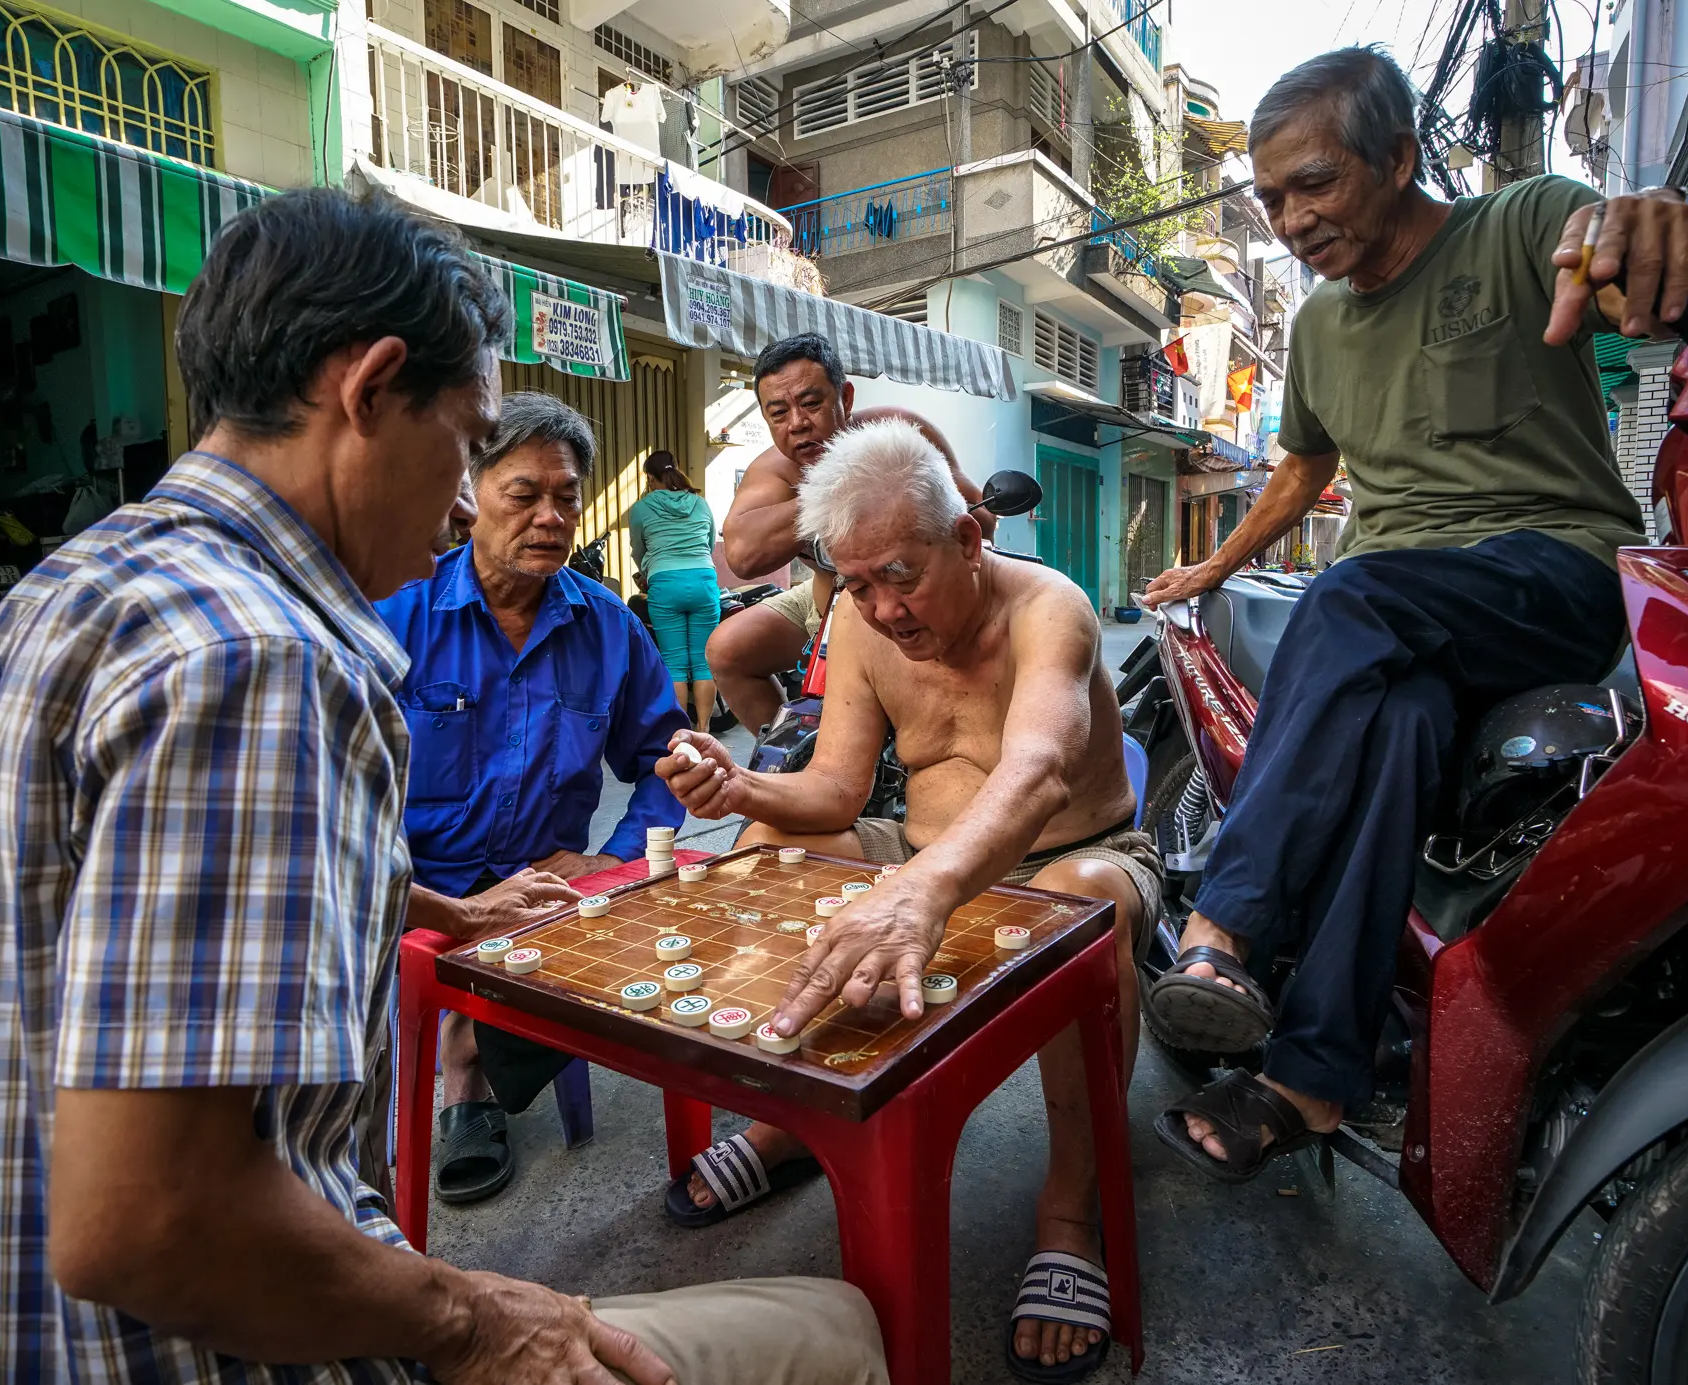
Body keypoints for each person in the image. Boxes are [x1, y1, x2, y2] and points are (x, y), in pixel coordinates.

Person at [0, 187, 889, 1385]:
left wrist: (441, 910)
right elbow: (150, 1222)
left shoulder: (75, 583)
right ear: (368, 387)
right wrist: (475, 1320)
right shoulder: (266, 658)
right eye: (467, 445)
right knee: (838, 1330)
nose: (466, 501)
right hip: (187, 1354)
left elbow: (129, 915)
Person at [1133, 48, 1688, 1181]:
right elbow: (1301, 470)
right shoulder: (1314, 328)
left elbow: (1640, 278)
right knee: (1395, 725)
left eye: (1311, 184)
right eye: (1269, 200)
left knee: (1351, 593)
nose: (1291, 218)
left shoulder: (1521, 224)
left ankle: (1223, 929)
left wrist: (1661, 231)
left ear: (1397, 158)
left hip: (1548, 574)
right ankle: (1310, 1078)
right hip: (1400, 620)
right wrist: (1213, 568)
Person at [658, 419, 1159, 1385]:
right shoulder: (858, 622)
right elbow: (839, 792)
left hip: (1076, 849)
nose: (883, 608)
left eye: (902, 574)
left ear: (969, 539)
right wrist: (744, 790)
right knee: (768, 847)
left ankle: (1068, 1210)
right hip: (917, 844)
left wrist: (922, 892)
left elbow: (1042, 768)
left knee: (1080, 908)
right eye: (857, 584)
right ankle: (795, 1123)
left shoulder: (1049, 608)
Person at [377, 392, 690, 1205]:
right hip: (414, 886)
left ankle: (467, 1064)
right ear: (470, 494)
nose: (551, 517)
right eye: (524, 495)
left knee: (678, 939)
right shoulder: (397, 614)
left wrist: (611, 860)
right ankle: (462, 1057)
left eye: (567, 497)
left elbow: (664, 758)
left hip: (549, 885)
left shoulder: (609, 628)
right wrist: (433, 901)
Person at [705, 334, 992, 733]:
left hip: (901, 596)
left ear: (846, 397)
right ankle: (795, 757)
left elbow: (983, 518)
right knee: (727, 650)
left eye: (811, 403)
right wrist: (843, 484)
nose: (798, 423)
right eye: (779, 413)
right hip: (821, 598)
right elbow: (741, 554)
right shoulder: (773, 470)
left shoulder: (899, 430)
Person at [628, 449, 720, 731]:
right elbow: (710, 543)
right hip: (704, 581)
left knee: (675, 663)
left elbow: (638, 549)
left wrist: (647, 570)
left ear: (650, 478)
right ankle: (704, 729)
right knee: (704, 662)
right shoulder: (700, 503)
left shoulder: (642, 508)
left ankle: (682, 732)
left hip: (665, 584)